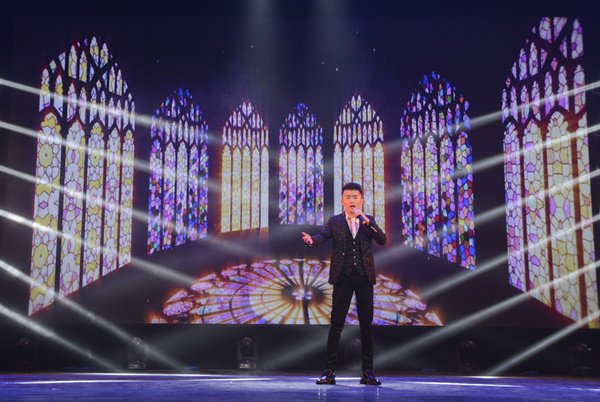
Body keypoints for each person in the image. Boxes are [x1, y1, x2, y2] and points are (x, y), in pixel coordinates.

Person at [302, 182, 387, 385]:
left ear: (361, 200)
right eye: (348, 197)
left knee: (366, 326)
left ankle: (367, 372)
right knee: (336, 324)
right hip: (343, 277)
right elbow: (322, 236)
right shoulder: (335, 221)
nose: (352, 200)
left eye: (355, 197)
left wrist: (367, 221)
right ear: (342, 201)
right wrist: (312, 241)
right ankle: (329, 371)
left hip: (364, 277)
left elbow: (382, 239)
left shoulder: (368, 221)